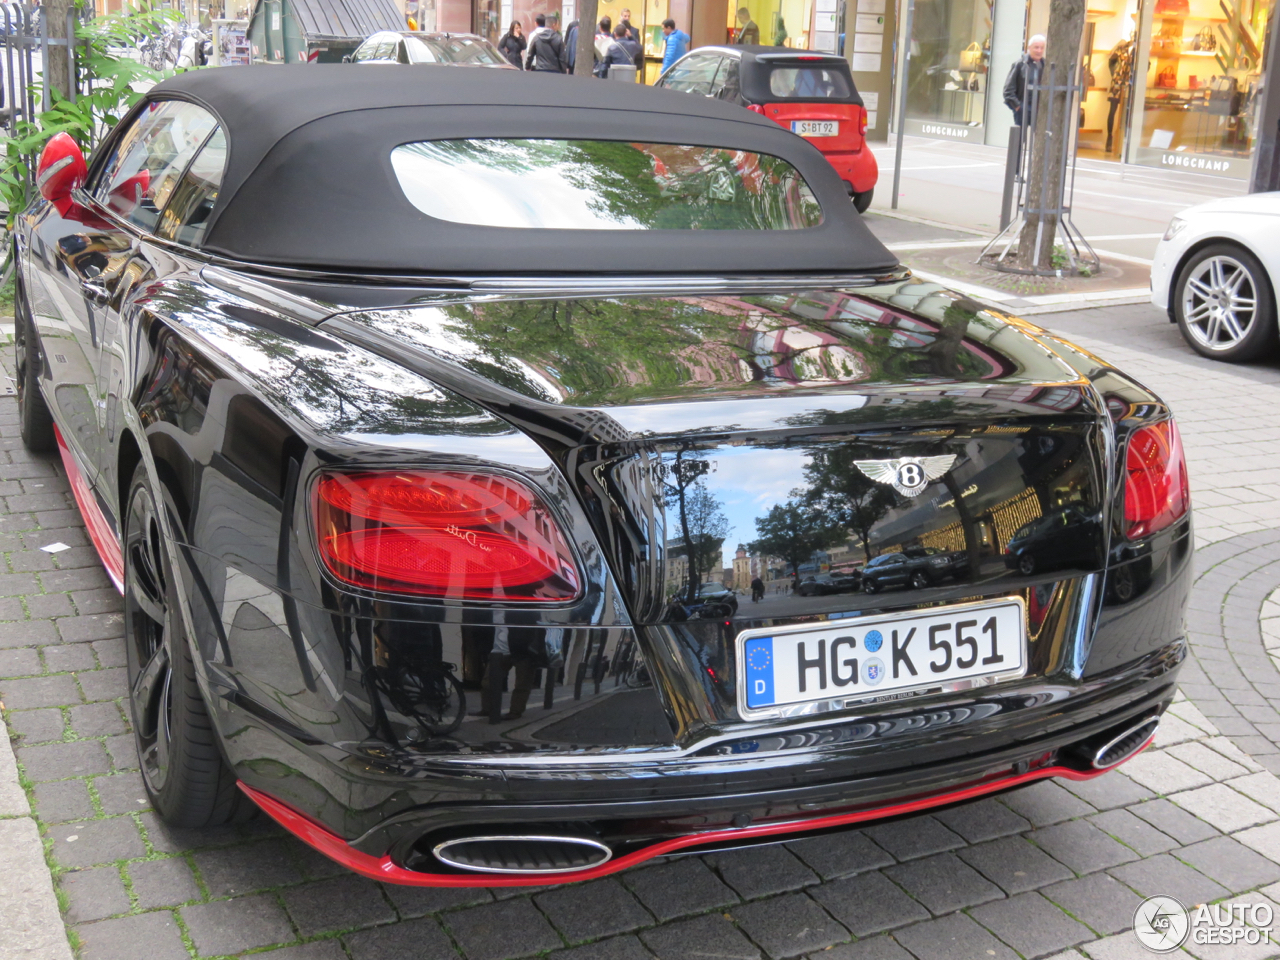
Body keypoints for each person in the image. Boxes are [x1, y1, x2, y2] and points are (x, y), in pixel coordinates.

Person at [1003, 34, 1045, 126]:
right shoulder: (1020, 64)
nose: (1039, 51)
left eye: (1042, 48)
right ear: (1029, 48)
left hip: (1041, 111)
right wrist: (1018, 107)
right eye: (1036, 47)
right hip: (1024, 110)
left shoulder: (1046, 66)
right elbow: (1008, 91)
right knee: (1021, 139)